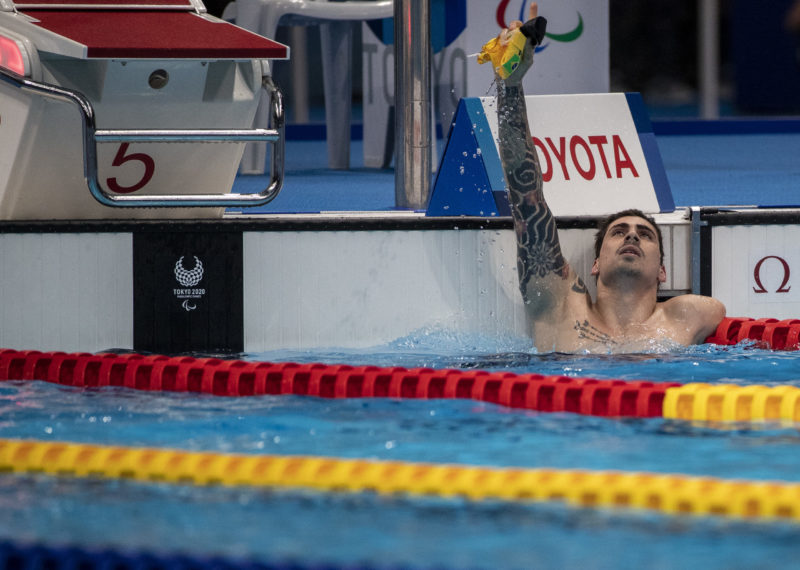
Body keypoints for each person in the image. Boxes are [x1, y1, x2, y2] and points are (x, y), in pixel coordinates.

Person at [484, 4, 725, 353]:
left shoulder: (689, 316)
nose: (631, 235)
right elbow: (527, 198)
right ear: (595, 264)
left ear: (662, 271)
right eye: (619, 232)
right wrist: (510, 87)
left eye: (644, 234)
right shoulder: (562, 306)